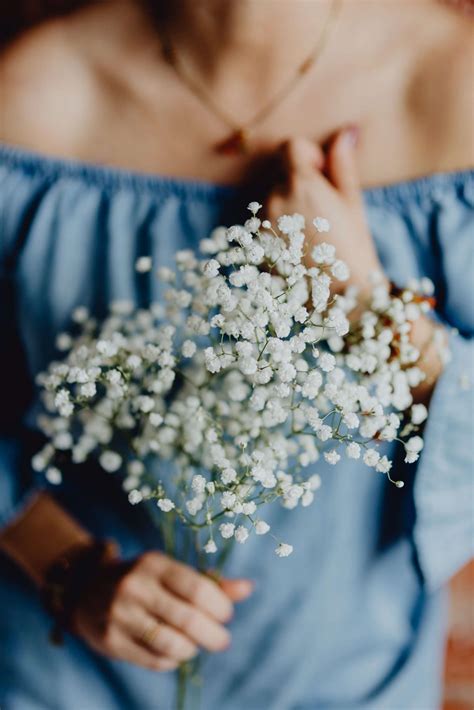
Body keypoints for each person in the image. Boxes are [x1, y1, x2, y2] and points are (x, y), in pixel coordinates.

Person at [0, 1, 473, 708]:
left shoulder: (455, 88)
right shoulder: (28, 100)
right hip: (62, 677)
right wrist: (70, 570)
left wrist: (361, 305)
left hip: (351, 682)